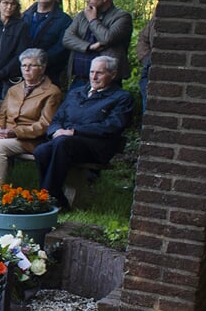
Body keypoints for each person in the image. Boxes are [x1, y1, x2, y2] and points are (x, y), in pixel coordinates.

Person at [33, 55, 135, 209]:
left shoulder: (122, 97)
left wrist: (74, 131)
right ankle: (57, 199)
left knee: (62, 143)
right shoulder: (77, 93)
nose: (94, 76)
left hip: (95, 146)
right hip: (65, 142)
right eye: (92, 72)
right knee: (41, 151)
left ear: (113, 75)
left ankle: (44, 199)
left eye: (99, 73)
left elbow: (111, 126)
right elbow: (57, 118)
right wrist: (55, 131)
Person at [0, 48, 64, 188]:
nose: (26, 69)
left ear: (42, 68)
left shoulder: (52, 92)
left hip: (30, 139)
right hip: (5, 133)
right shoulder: (14, 89)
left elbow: (45, 124)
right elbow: (1, 114)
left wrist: (15, 132)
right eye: (23, 65)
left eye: (31, 65)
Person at [62, 0, 132, 91]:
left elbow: (107, 38)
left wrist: (93, 20)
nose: (87, 0)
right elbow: (67, 38)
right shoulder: (82, 15)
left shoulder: (122, 17)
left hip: (107, 82)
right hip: (79, 80)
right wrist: (88, 47)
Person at [24, 0, 73, 88]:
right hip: (22, 71)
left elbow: (62, 47)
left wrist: (39, 62)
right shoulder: (24, 16)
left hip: (49, 73)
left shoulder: (64, 20)